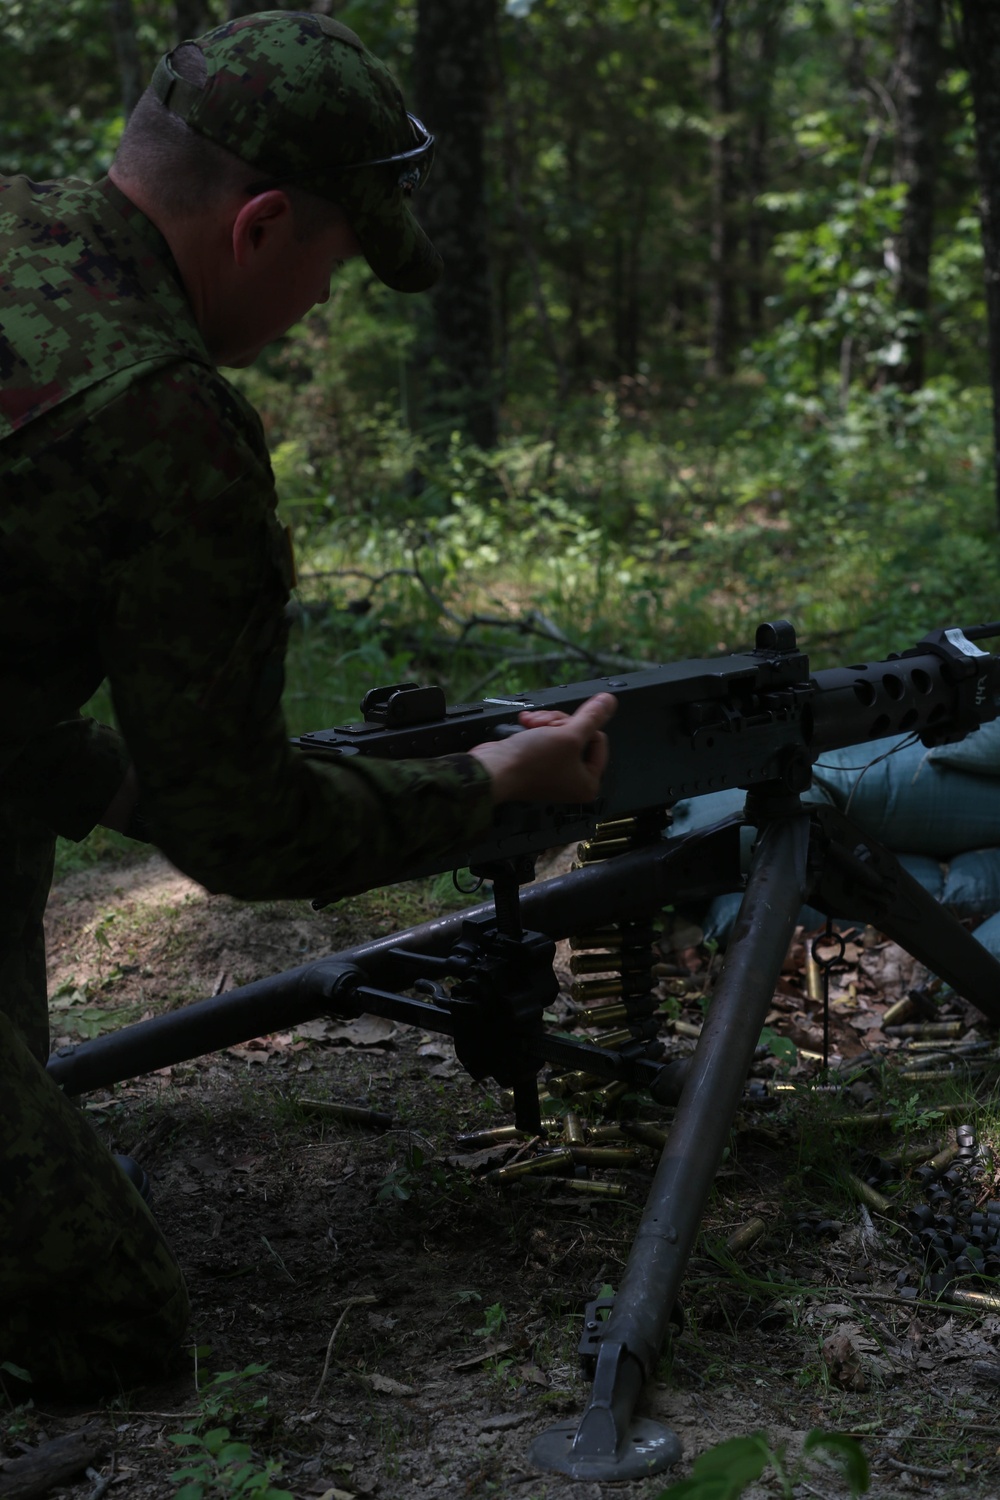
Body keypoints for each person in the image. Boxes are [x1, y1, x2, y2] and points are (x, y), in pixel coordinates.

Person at [0, 11, 615, 1393]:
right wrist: (495, 788)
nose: (322, 303)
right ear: (262, 223)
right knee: (105, 1339)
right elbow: (247, 833)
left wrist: (103, 777)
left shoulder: (20, 222)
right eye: (335, 264)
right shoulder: (161, 417)